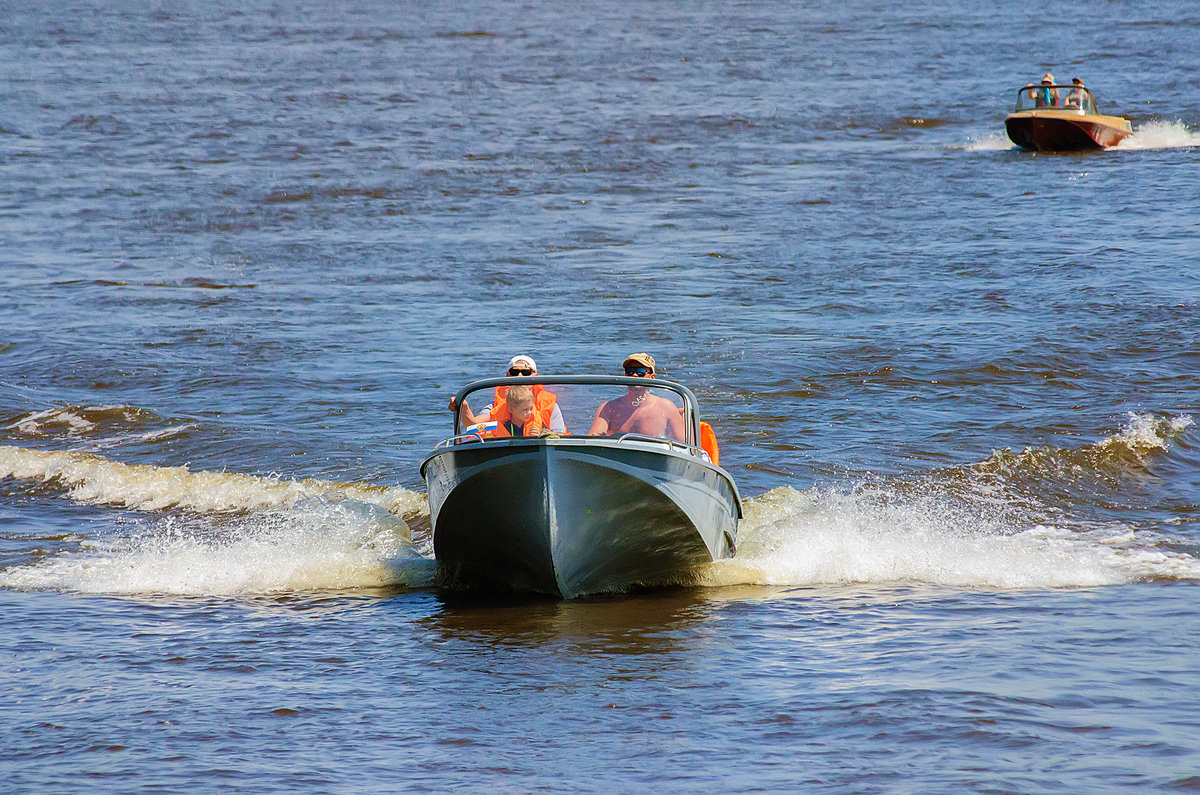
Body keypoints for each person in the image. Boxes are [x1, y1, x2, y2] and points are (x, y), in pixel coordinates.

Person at [450, 354, 567, 433]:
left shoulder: (550, 406)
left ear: (535, 376)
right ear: (508, 376)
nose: (520, 377)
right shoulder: (494, 407)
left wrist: (543, 435)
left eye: (526, 372)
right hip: (505, 454)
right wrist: (463, 406)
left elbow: (560, 436)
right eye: (515, 372)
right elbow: (473, 426)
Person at [586, 353, 685, 441]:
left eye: (641, 371)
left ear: (652, 377)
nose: (634, 375)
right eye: (629, 371)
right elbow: (593, 438)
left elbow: (684, 447)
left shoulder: (666, 407)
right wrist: (597, 437)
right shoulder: (608, 408)